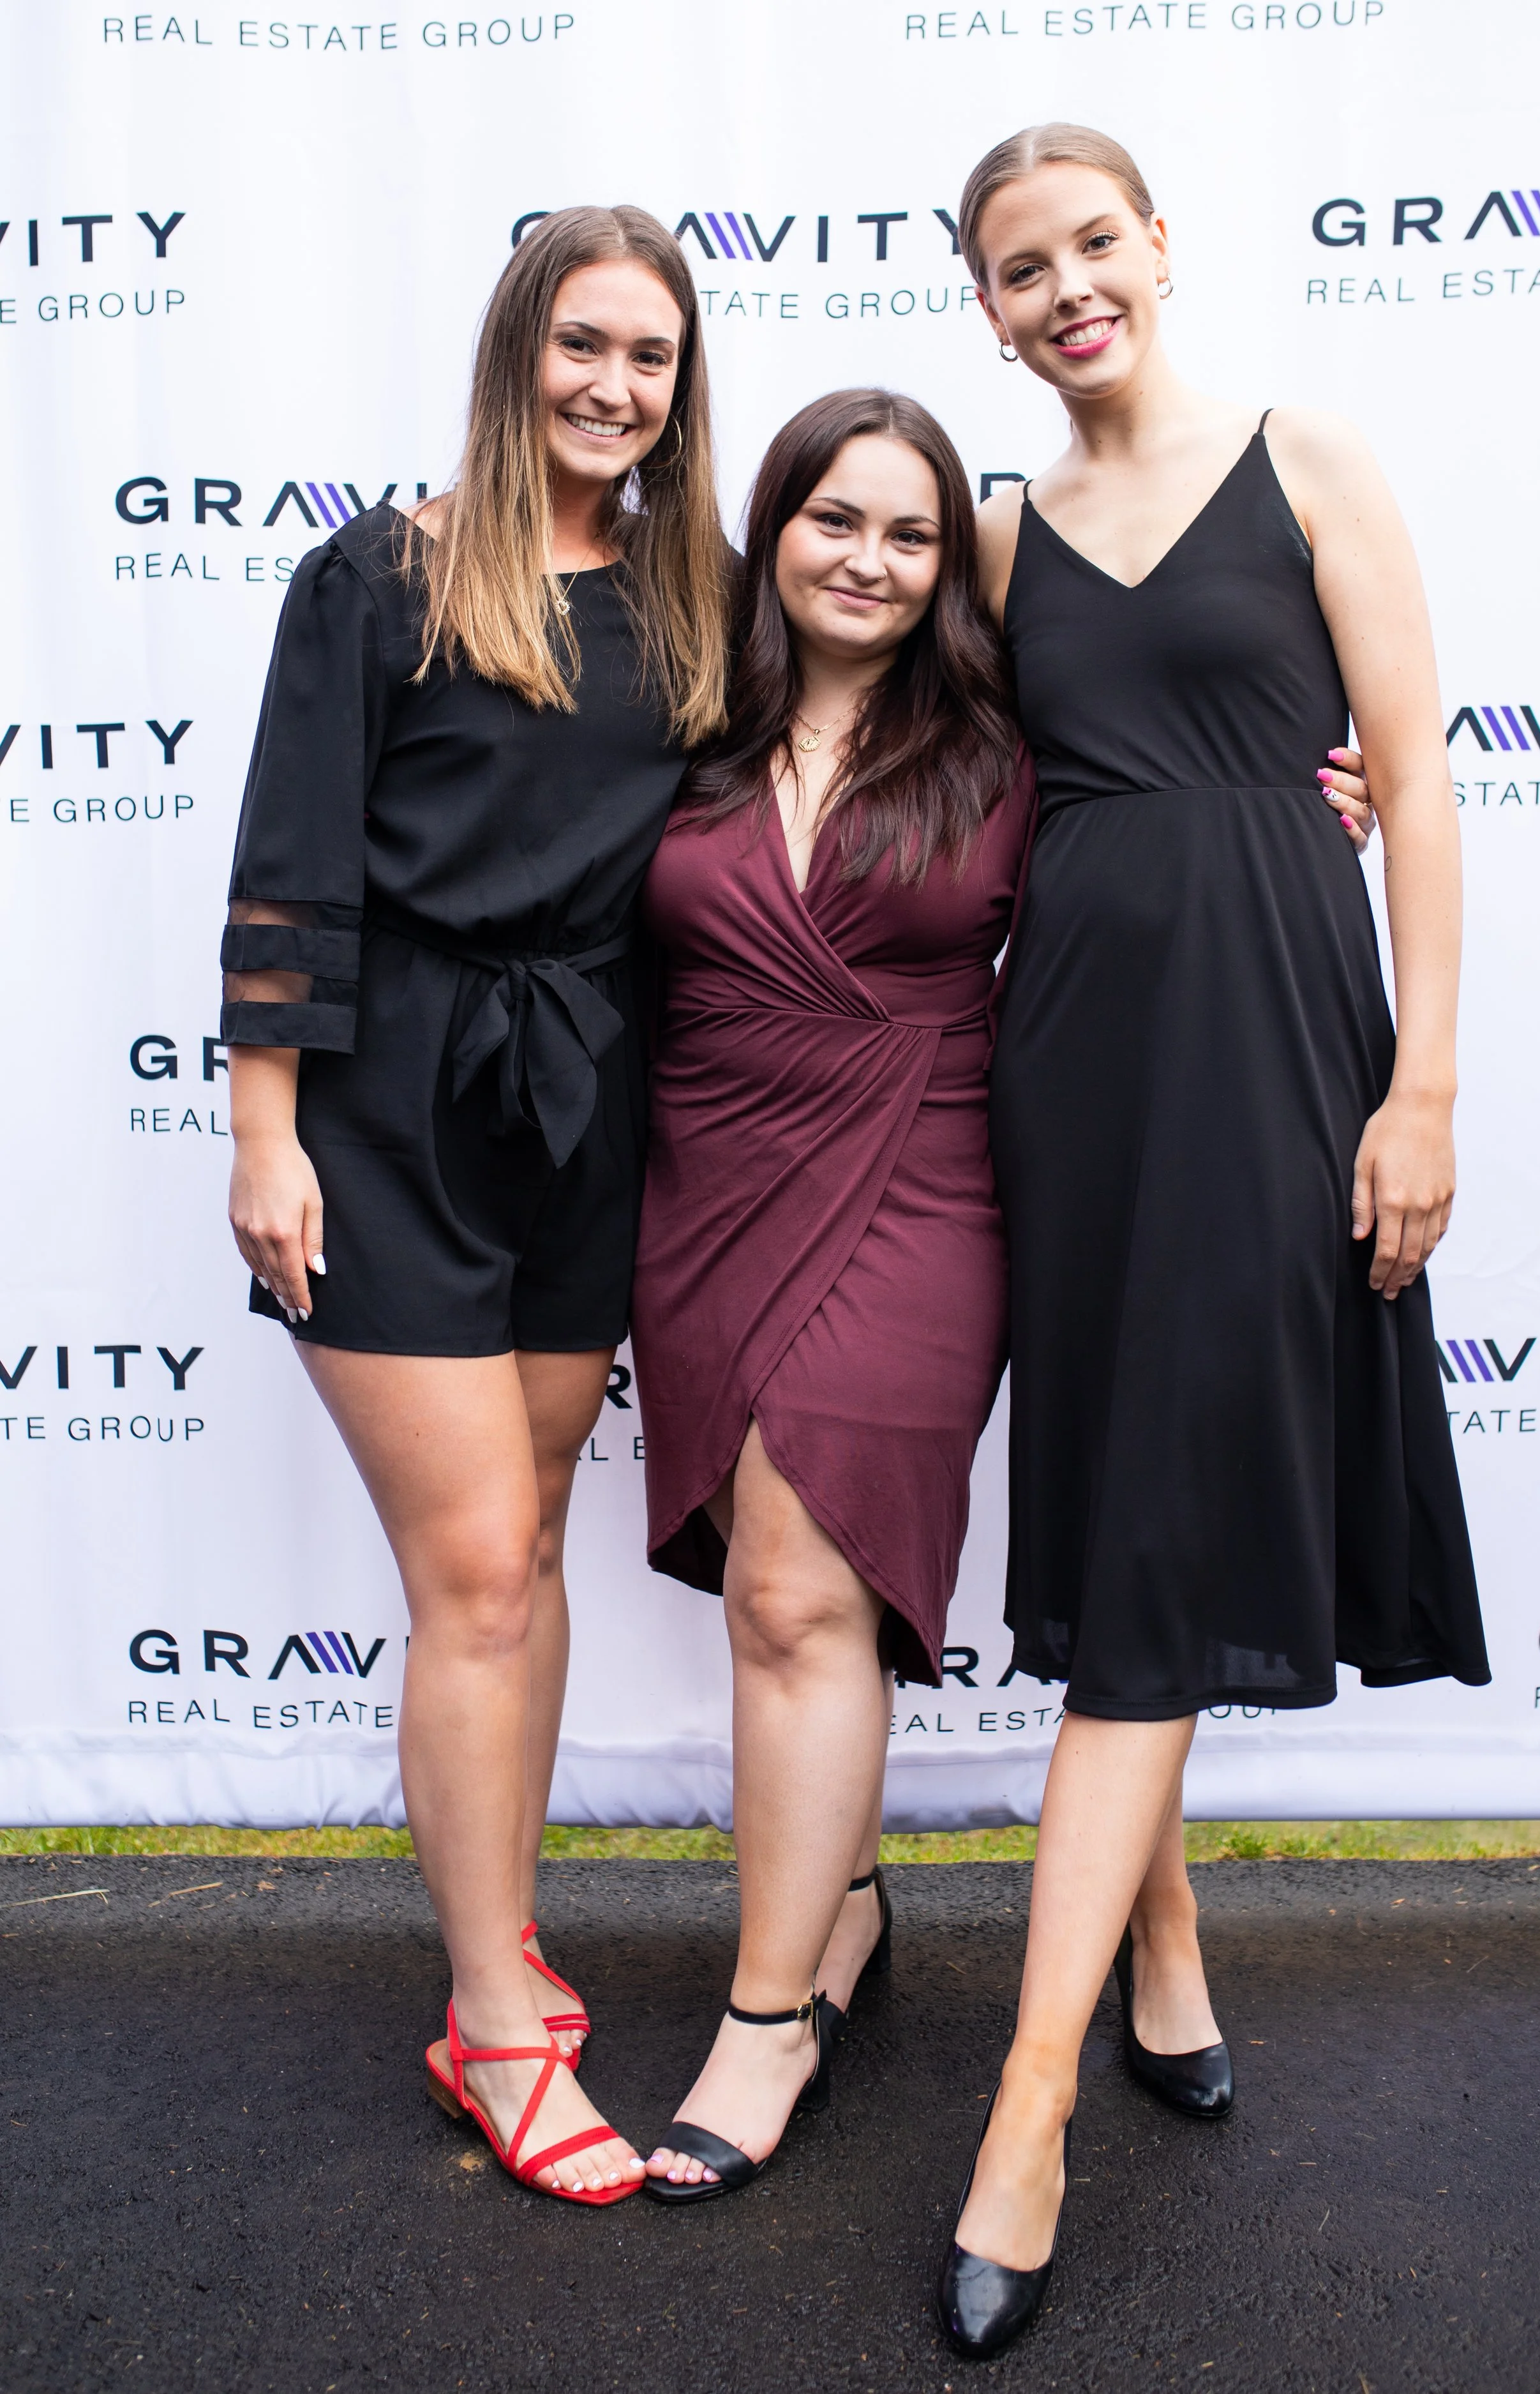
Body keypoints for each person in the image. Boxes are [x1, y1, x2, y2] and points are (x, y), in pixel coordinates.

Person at [628, 389, 1373, 2202]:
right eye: (834, 521)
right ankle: (871, 1907)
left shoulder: (1003, 730)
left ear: (947, 567)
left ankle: (767, 2017)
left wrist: (1291, 808)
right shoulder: (676, 718)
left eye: (910, 534)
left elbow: (1163, 786)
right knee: (766, 1579)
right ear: (772, 534)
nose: (869, 561)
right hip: (708, 1179)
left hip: (931, 1163)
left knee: (801, 1588)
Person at [935, 124, 1490, 2359]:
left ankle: (1027, 2108)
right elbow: (926, 769)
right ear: (986, 313)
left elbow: (1415, 781)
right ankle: (1155, 1949)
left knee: (1161, 1537)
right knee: (1123, 1525)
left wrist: (1421, 1087)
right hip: (1069, 1062)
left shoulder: (1309, 458)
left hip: (1277, 1040)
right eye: (1018, 268)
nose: (1065, 285)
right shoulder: (993, 535)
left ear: (1156, 246)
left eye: (1092, 242)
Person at [221, 205, 729, 2205]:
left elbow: (891, 715)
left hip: (587, 1106)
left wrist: (1260, 778)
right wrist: (266, 1133)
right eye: (581, 343)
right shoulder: (379, 577)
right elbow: (287, 863)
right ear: (518, 349)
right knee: (477, 1577)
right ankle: (498, 2016)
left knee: (526, 1557)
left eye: (650, 355)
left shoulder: (693, 603)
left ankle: (497, 1944)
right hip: (390, 1114)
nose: (615, 385)